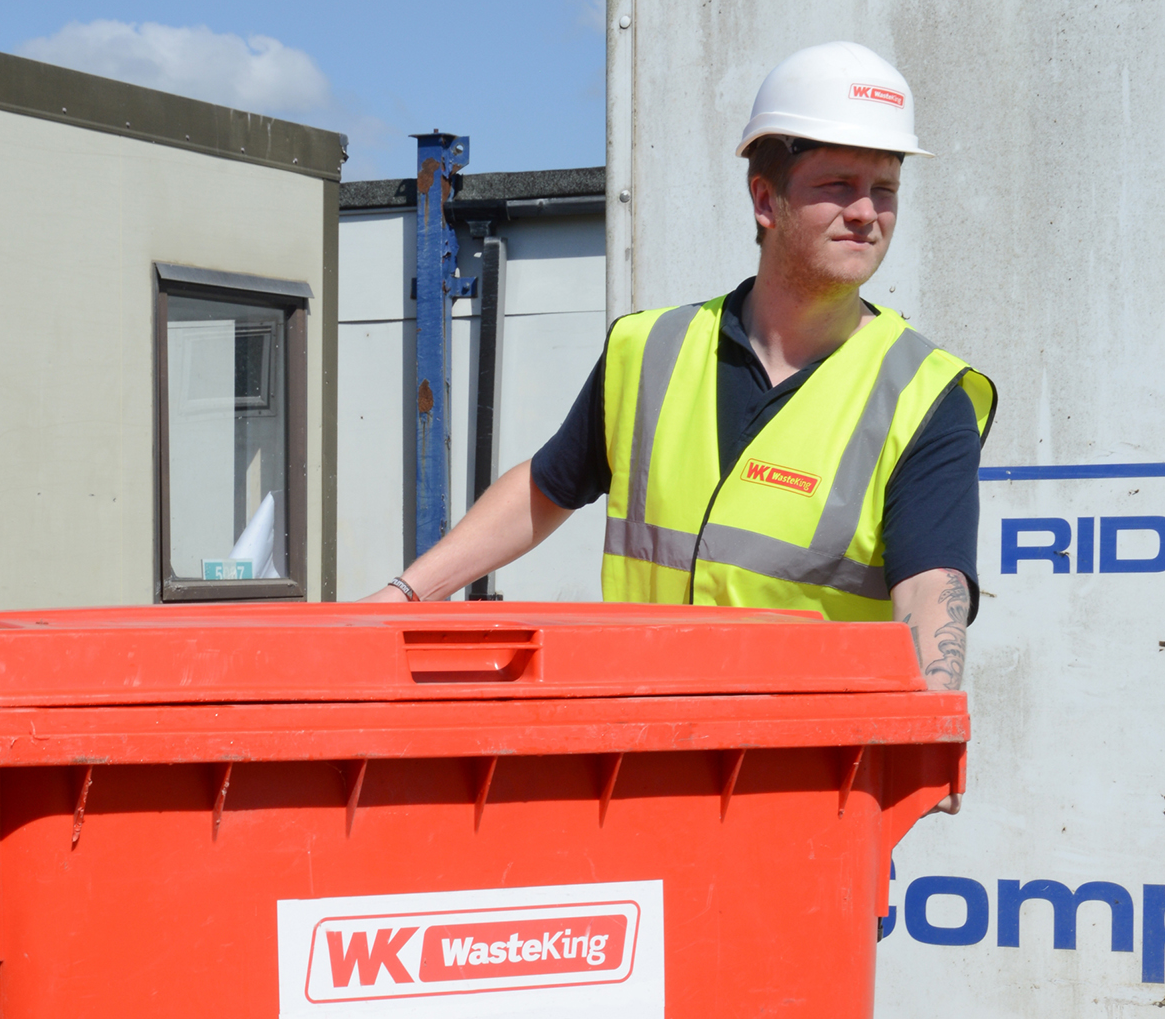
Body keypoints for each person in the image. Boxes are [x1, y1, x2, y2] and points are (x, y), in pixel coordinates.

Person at [370, 43, 996, 796]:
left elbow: (932, 589)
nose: (867, 213)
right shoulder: (651, 350)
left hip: (805, 786)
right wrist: (402, 600)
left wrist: (935, 719)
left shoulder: (926, 395)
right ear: (766, 201)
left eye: (885, 189)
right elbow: (547, 486)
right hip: (636, 766)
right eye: (839, 186)